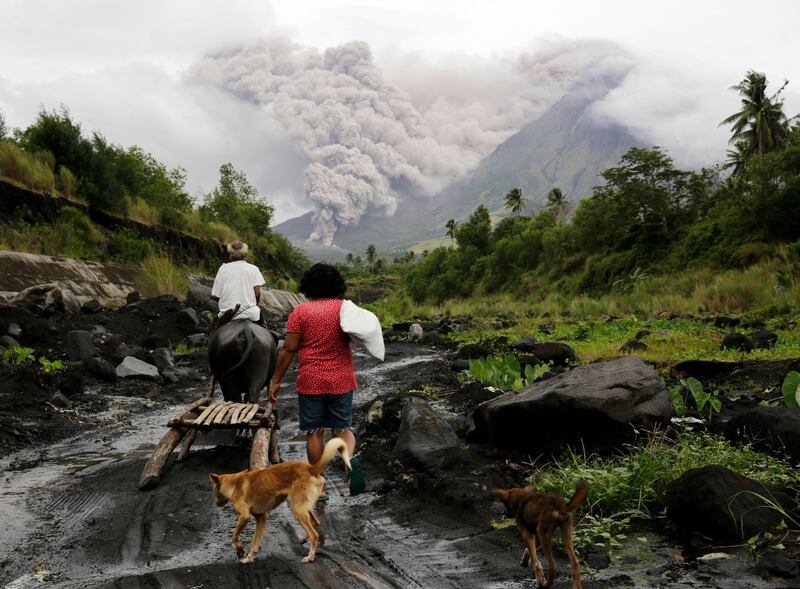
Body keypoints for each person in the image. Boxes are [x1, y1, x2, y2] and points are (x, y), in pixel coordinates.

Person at [268, 262, 366, 497]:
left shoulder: (300, 312)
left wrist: (276, 380)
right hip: (341, 379)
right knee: (342, 428)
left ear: (308, 286)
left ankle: (318, 484)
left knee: (314, 432)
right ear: (336, 285)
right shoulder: (344, 309)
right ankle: (350, 463)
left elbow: (289, 349)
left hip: (311, 380)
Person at [211, 241, 265, 323]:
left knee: (212, 332)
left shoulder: (223, 269)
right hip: (251, 313)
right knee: (265, 328)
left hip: (227, 314)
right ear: (245, 254)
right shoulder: (254, 269)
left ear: (230, 254)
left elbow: (216, 294)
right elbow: (257, 294)